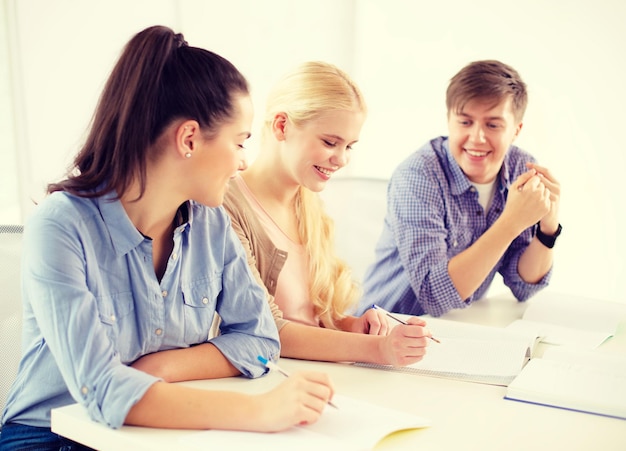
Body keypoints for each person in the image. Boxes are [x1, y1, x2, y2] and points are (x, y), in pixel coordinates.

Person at [0, 26, 335, 450]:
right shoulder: (61, 226)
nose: (243, 161)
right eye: (239, 142)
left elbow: (260, 339)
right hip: (48, 436)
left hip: (158, 431)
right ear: (189, 138)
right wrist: (259, 411)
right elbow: (100, 389)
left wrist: (160, 367)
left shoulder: (211, 223)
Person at [223, 61, 431, 367]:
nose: (342, 159)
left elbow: (312, 316)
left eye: (350, 146)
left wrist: (355, 327)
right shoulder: (226, 206)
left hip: (316, 374)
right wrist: (376, 350)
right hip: (271, 377)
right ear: (281, 126)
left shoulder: (307, 201)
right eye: (330, 142)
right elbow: (268, 329)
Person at [356, 60, 562, 318]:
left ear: (516, 130)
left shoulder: (521, 167)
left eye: (493, 125)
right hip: (384, 329)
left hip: (456, 331)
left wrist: (548, 226)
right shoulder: (418, 176)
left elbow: (523, 286)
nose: (477, 137)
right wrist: (511, 222)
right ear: (449, 120)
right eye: (465, 122)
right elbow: (434, 294)